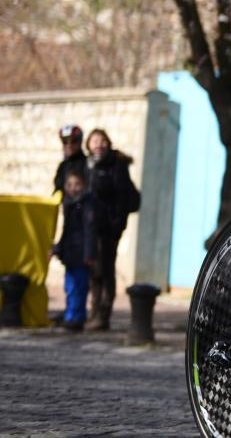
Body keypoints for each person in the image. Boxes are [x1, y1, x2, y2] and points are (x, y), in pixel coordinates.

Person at [83, 128, 141, 331]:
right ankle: (93, 311)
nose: (98, 144)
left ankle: (103, 315)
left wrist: (116, 222)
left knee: (105, 269)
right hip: (90, 227)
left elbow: (122, 195)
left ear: (108, 142)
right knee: (93, 269)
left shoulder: (116, 165)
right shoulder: (87, 165)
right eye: (94, 141)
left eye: (102, 140)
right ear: (88, 145)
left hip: (108, 226)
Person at [50, 170, 97, 331]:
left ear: (84, 186)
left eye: (77, 184)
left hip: (81, 254)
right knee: (70, 287)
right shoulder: (69, 204)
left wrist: (89, 254)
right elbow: (66, 231)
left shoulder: (86, 205)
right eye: (69, 185)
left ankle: (76, 318)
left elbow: (89, 230)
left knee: (79, 287)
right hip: (70, 253)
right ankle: (71, 314)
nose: (73, 188)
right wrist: (57, 249)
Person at [54, 124, 86, 194]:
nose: (69, 145)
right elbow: (57, 189)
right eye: (65, 142)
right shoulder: (62, 166)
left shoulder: (88, 163)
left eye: (73, 141)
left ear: (80, 142)